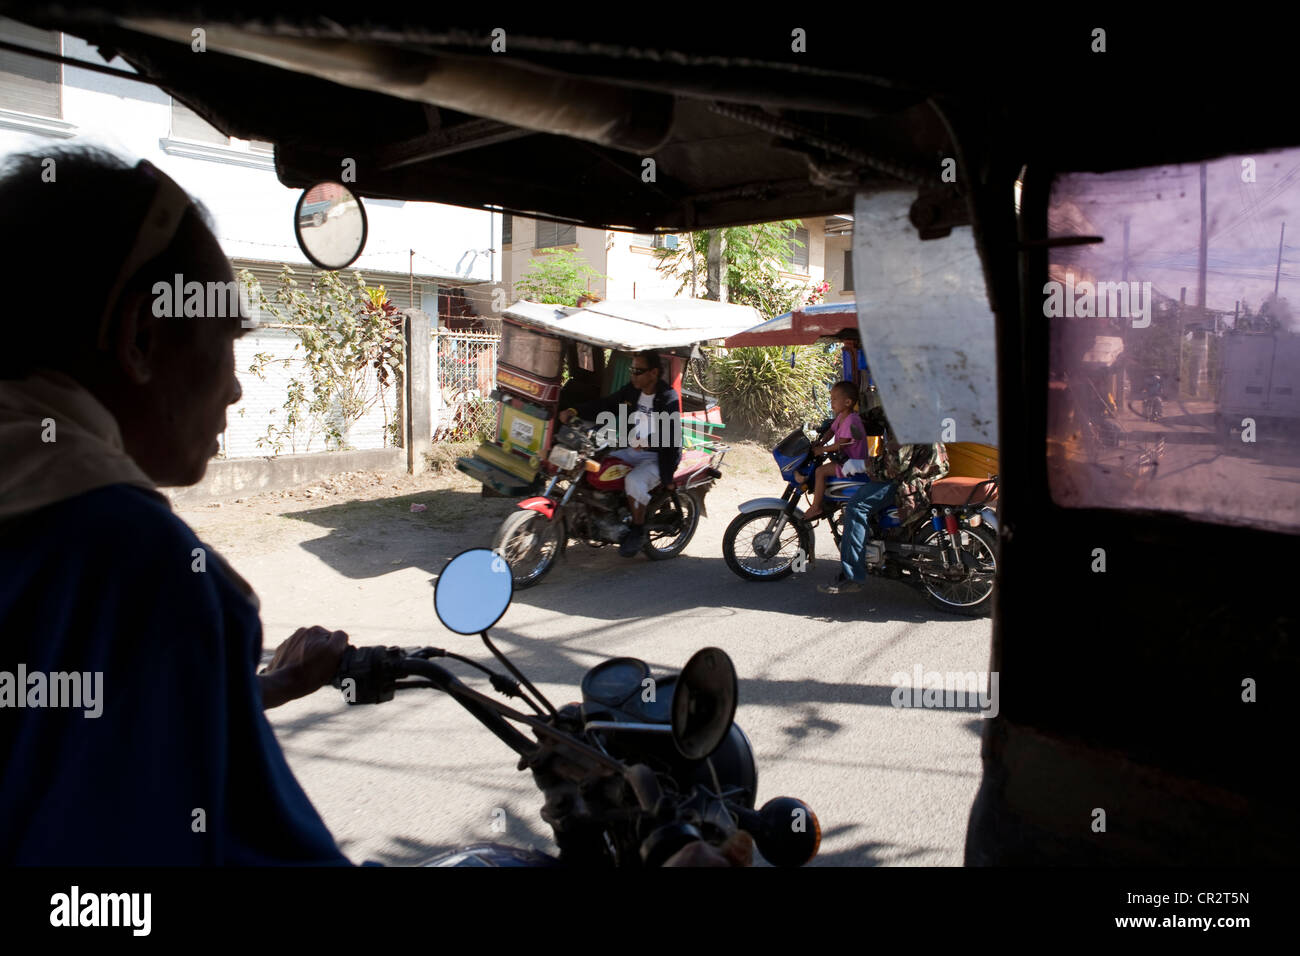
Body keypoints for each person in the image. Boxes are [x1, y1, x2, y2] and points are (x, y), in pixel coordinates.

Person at [0, 147, 351, 864]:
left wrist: (253, 689)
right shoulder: (142, 572)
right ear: (141, 337)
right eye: (229, 339)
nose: (235, 390)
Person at [558, 349, 682, 557]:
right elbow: (606, 404)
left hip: (660, 456)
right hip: (632, 449)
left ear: (653, 373)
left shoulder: (668, 397)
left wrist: (647, 442)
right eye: (631, 369)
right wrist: (575, 411)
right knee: (595, 466)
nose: (632, 374)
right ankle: (600, 512)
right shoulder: (632, 391)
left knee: (633, 481)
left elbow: (671, 435)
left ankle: (637, 529)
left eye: (637, 371)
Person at [819, 407, 949, 595]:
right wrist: (837, 425)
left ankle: (852, 576)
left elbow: (895, 466)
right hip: (924, 469)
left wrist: (861, 464)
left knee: (857, 506)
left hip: (913, 476)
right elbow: (867, 420)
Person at [801, 381, 868, 521]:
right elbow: (831, 431)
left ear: (848, 402)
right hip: (845, 459)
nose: (832, 403)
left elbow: (840, 445)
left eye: (835, 399)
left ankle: (816, 507)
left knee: (820, 472)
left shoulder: (851, 420)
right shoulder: (841, 417)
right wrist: (821, 442)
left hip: (853, 463)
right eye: (831, 399)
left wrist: (822, 450)